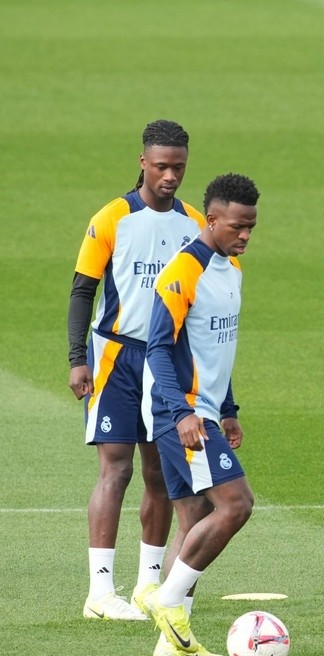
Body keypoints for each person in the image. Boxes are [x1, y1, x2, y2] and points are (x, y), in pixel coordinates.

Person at [67, 120, 205, 621]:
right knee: (116, 468)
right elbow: (83, 289)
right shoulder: (112, 218)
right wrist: (76, 358)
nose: (171, 176)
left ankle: (149, 585)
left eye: (179, 167)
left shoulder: (194, 224)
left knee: (160, 474)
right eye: (163, 166)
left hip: (166, 359)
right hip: (115, 358)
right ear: (143, 162)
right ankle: (100, 593)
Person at [141, 173, 261, 656]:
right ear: (211, 220)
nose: (246, 235)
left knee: (193, 518)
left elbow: (217, 350)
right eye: (237, 226)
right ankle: (167, 603)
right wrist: (185, 412)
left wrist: (227, 409)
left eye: (252, 226)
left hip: (205, 411)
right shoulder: (183, 270)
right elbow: (156, 347)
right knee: (236, 505)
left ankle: (170, 646)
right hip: (181, 414)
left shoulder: (231, 270)